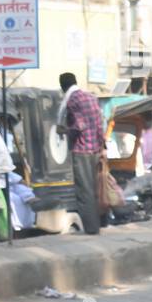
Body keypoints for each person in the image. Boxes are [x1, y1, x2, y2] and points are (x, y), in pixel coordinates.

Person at [56, 72, 105, 235]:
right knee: (94, 189)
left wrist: (63, 130)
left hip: (81, 150)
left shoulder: (72, 100)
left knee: (84, 191)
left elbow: (79, 125)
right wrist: (101, 147)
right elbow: (99, 125)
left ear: (63, 86)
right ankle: (97, 225)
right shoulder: (90, 97)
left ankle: (91, 229)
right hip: (94, 150)